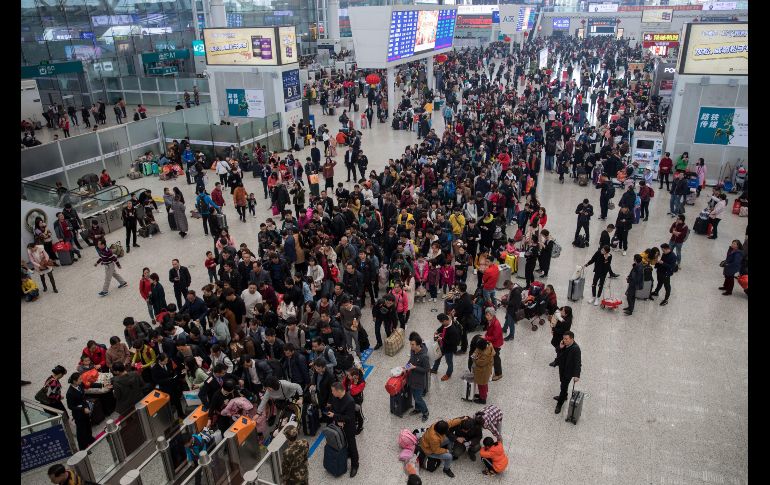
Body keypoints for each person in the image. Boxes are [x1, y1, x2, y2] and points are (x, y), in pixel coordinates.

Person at [327, 381, 359, 477]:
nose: (332, 393)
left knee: (352, 445)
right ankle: (346, 453)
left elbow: (349, 417)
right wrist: (336, 418)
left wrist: (336, 416)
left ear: (338, 391)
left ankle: (355, 465)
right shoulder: (335, 397)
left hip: (349, 427)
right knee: (342, 442)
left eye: (333, 391)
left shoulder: (350, 401)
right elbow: (333, 408)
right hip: (338, 424)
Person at [554, 331, 581, 415]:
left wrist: (577, 375)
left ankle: (559, 404)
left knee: (563, 386)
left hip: (568, 372)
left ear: (572, 339)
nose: (564, 340)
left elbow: (578, 363)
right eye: (563, 338)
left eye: (566, 339)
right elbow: (558, 352)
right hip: (562, 368)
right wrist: (560, 347)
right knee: (562, 383)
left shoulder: (576, 349)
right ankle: (564, 396)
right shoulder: (564, 344)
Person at [66, 372, 95, 450]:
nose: (81, 380)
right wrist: (82, 409)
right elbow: (70, 406)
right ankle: (83, 447)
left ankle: (90, 439)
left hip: (85, 410)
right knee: (81, 431)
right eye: (79, 379)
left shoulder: (80, 385)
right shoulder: (70, 393)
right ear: (74, 381)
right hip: (79, 414)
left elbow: (83, 397)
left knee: (88, 426)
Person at [406, 332, 430, 422]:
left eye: (412, 344)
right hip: (412, 379)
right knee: (414, 396)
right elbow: (411, 360)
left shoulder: (424, 356)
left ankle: (425, 412)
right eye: (410, 344)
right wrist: (406, 367)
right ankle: (417, 409)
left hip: (419, 382)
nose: (411, 346)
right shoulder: (412, 351)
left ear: (418, 345)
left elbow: (427, 369)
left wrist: (415, 367)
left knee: (418, 398)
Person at [430, 313, 461, 381]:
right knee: (438, 357)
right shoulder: (446, 323)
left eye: (441, 322)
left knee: (449, 362)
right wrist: (437, 331)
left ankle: (448, 374)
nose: (441, 323)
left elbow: (453, 342)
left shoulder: (453, 330)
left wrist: (442, 339)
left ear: (445, 321)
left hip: (449, 349)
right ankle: (434, 369)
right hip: (443, 345)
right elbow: (442, 327)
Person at [471, 338, 495, 405]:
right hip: (486, 370)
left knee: (482, 385)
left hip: (483, 371)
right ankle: (482, 395)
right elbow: (477, 351)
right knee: (484, 383)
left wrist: (475, 359)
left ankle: (483, 399)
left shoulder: (485, 355)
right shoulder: (488, 345)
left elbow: (480, 363)